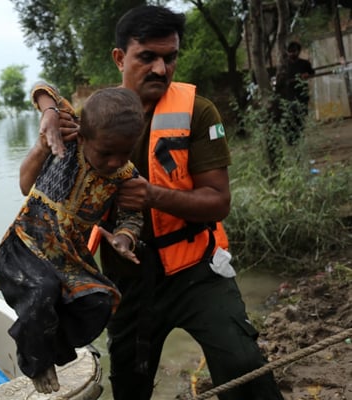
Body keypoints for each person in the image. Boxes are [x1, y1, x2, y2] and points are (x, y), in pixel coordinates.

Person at [22, 5, 285, 400]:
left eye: (170, 57)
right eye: (148, 57)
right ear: (119, 58)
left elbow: (219, 202)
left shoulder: (198, 111)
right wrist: (46, 121)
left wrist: (153, 196)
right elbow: (30, 180)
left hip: (196, 270)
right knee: (130, 384)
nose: (161, 69)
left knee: (243, 366)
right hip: (125, 281)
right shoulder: (92, 116)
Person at [0, 87, 145, 394]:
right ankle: (35, 360)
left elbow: (132, 215)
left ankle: (38, 339)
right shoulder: (66, 138)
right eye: (107, 153)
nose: (114, 162)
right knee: (44, 291)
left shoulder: (125, 175)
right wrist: (50, 115)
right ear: (83, 136)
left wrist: (124, 238)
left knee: (102, 300)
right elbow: (44, 90)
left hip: (69, 256)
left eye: (125, 153)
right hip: (28, 241)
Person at [277, 41, 315, 145]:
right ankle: (290, 141)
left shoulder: (304, 64)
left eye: (294, 51)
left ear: (298, 52)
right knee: (288, 119)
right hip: (288, 96)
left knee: (300, 119)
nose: (292, 54)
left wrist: (307, 75)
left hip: (301, 95)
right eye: (290, 51)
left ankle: (298, 140)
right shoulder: (284, 65)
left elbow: (311, 73)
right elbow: (279, 80)